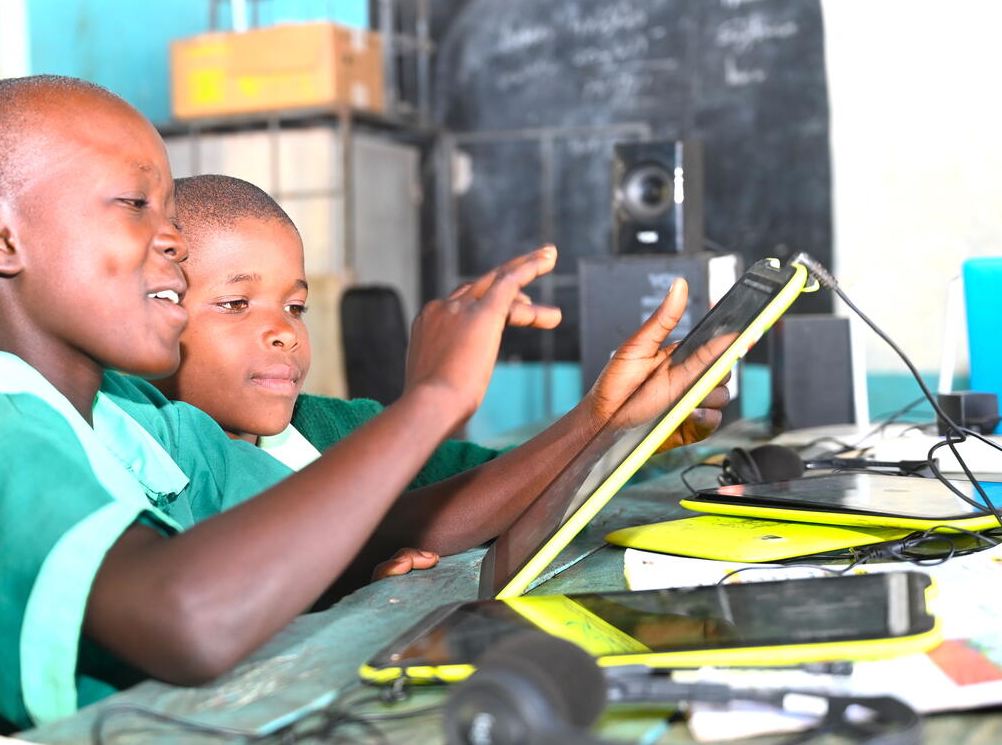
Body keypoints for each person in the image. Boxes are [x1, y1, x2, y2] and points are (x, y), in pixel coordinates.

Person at [0, 75, 564, 744]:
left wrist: (606, 414)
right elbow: (187, 621)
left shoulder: (138, 422)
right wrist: (433, 399)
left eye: (170, 212)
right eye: (134, 203)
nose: (176, 238)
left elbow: (369, 530)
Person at [153, 174, 729, 596]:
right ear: (158, 310)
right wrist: (599, 419)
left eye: (296, 306)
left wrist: (633, 430)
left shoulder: (329, 427)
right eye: (235, 304)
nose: (282, 330)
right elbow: (375, 531)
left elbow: (495, 479)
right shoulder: (158, 454)